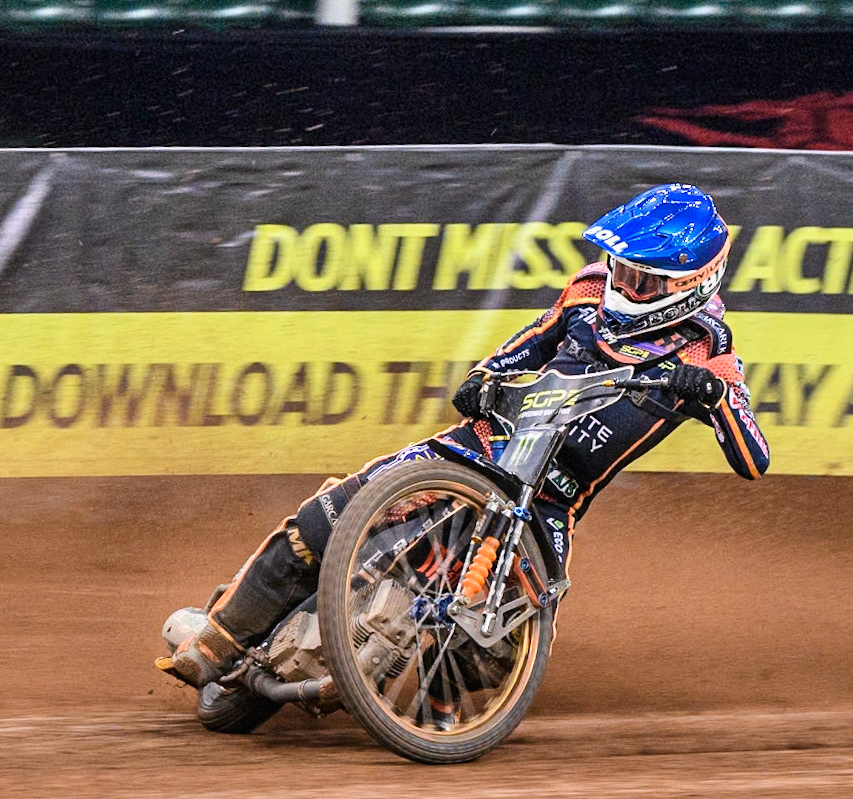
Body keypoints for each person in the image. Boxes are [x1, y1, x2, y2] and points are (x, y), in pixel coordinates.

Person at [159, 183, 770, 690]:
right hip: (478, 446)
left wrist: (712, 394)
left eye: (642, 279)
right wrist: (484, 375)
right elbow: (528, 342)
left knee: (493, 658)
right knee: (324, 519)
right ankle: (215, 643)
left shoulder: (709, 354)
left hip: (549, 502)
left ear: (691, 283)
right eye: (621, 269)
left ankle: (421, 705)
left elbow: (753, 456)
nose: (624, 286)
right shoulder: (587, 293)